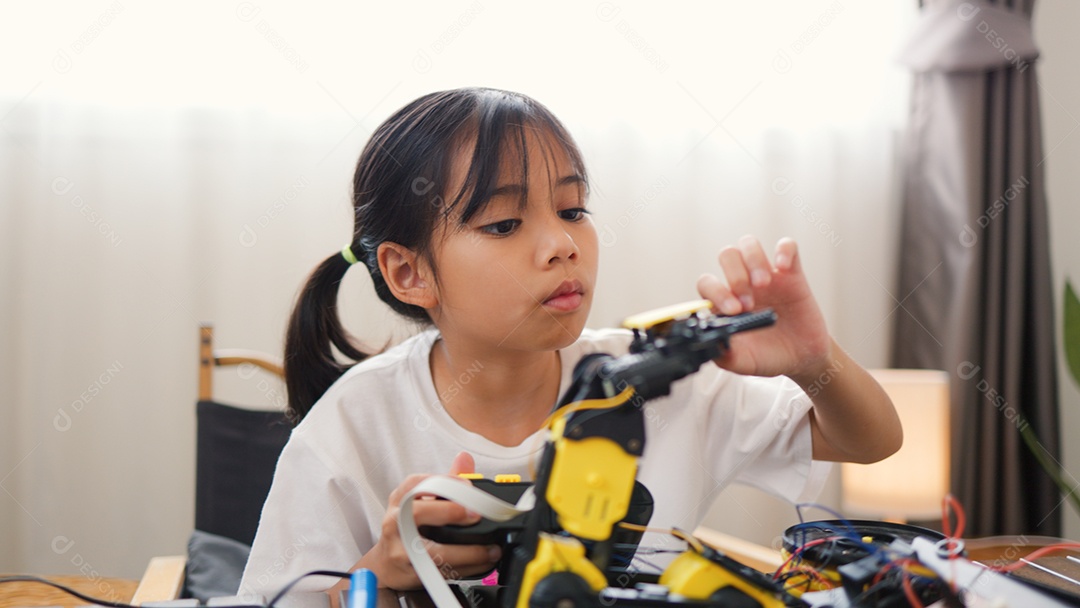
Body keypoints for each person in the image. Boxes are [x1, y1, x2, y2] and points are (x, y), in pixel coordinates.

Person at [238, 87, 902, 599]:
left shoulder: (655, 379)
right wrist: (380, 575)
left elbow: (870, 441)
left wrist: (816, 362)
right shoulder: (354, 424)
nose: (562, 245)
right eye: (504, 223)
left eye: (573, 210)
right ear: (409, 273)